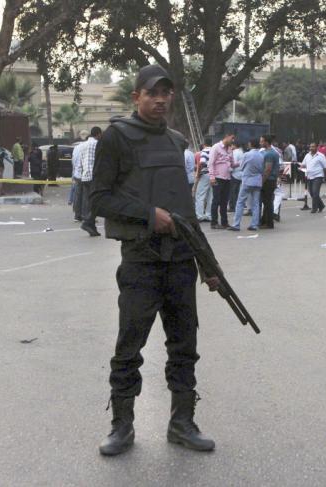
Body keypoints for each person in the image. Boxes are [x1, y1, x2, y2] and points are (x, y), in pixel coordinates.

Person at [90, 64, 219, 456]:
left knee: (184, 346)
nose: (160, 100)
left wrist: (208, 266)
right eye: (152, 93)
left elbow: (185, 211)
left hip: (180, 261)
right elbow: (98, 198)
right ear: (136, 97)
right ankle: (122, 426)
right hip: (141, 261)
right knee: (129, 347)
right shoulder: (116, 137)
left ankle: (182, 423)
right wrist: (149, 215)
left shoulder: (177, 140)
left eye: (166, 93)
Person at [229, 139, 264, 231]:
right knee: (256, 203)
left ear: (250, 144)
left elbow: (241, 167)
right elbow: (262, 169)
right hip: (257, 181)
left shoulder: (247, 155)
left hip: (247, 180)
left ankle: (236, 224)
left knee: (240, 202)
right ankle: (254, 224)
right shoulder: (261, 155)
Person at [208, 133, 234, 229]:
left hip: (227, 178)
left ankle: (224, 222)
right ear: (226, 136)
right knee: (216, 200)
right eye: (232, 138)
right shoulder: (216, 147)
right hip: (217, 177)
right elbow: (210, 163)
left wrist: (241, 163)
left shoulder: (230, 149)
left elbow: (232, 163)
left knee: (224, 201)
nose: (233, 141)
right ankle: (214, 222)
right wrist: (212, 177)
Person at [79, 126, 102, 236]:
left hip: (84, 177)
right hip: (94, 176)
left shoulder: (82, 145)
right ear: (98, 134)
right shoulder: (97, 144)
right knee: (98, 201)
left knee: (91, 201)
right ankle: (88, 222)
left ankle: (92, 227)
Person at [300, 142, 326, 213]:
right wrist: (301, 166)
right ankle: (321, 205)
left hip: (318, 176)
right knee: (311, 193)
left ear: (317, 147)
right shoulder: (307, 155)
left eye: (313, 147)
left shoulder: (321, 156)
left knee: (315, 192)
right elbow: (303, 164)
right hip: (309, 176)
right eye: (310, 147)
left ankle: (314, 208)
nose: (311, 148)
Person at [259, 134, 280, 229]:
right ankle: (264, 221)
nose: (260, 143)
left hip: (268, 180)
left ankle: (269, 223)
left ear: (266, 142)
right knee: (266, 201)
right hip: (269, 180)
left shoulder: (270, 153)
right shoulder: (266, 152)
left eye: (262, 141)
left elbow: (268, 170)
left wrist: (261, 181)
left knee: (267, 202)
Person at [194, 138, 213, 222]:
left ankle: (199, 215)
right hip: (214, 175)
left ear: (204, 144)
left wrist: (199, 172)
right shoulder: (214, 150)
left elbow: (202, 162)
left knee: (200, 196)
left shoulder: (204, 151)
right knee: (210, 196)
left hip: (205, 174)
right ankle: (209, 215)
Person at [70, 139, 85, 221]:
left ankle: (77, 215)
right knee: (86, 195)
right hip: (85, 174)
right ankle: (85, 215)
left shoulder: (76, 148)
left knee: (78, 195)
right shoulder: (87, 147)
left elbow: (73, 161)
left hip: (76, 174)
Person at [228, 140, 244, 212]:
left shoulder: (234, 152)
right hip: (241, 174)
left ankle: (232, 207)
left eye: (231, 145)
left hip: (235, 174)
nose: (231, 147)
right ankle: (237, 206)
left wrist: (229, 170)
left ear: (234, 145)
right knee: (237, 191)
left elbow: (232, 163)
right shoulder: (241, 152)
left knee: (232, 191)